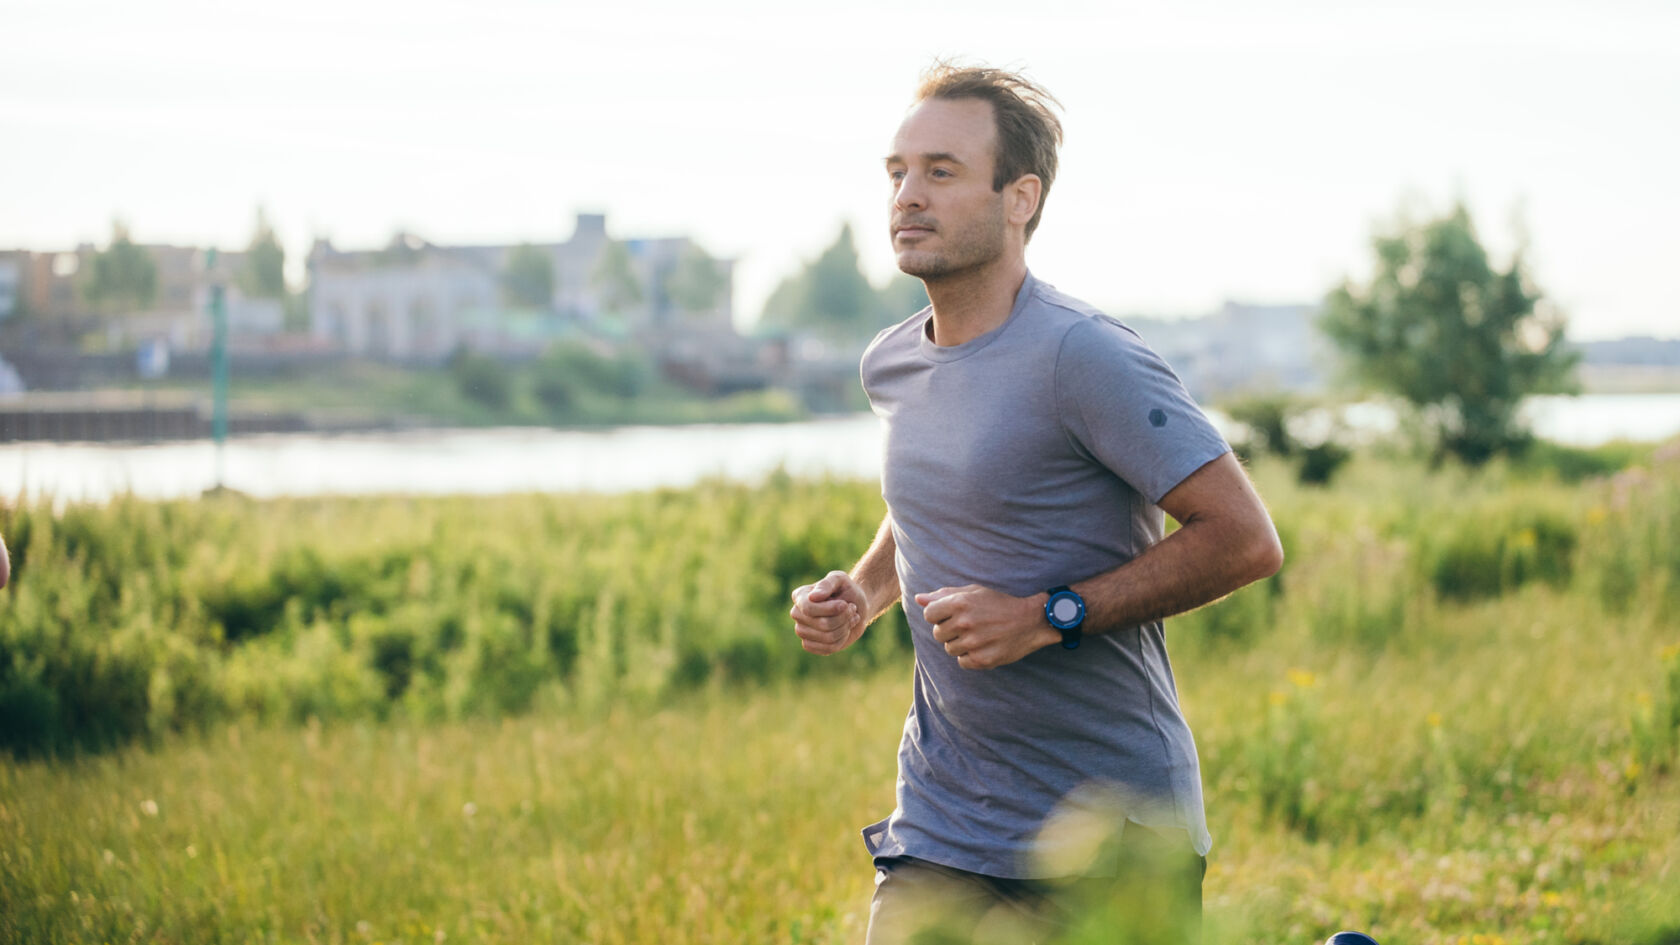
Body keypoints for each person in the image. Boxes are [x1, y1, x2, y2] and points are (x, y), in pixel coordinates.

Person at [788, 63, 1284, 945]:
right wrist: (863, 594)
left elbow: (1245, 540)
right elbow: (929, 501)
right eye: (897, 171)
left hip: (1109, 832)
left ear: (1021, 197)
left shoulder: (1082, 355)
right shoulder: (892, 363)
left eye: (942, 171)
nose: (908, 195)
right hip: (942, 821)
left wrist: (1048, 614)